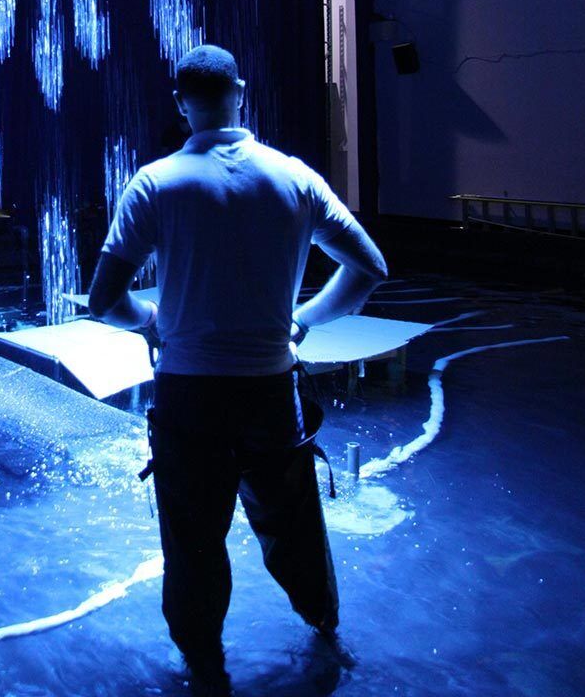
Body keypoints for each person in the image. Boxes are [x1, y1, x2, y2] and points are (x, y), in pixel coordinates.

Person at [89, 44, 387, 696]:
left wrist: (150, 322)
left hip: (188, 394)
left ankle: (204, 665)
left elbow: (104, 300)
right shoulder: (293, 178)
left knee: (193, 539)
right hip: (270, 390)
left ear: (180, 104)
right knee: (294, 525)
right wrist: (303, 320)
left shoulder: (156, 183)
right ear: (240, 92)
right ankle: (324, 629)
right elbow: (369, 267)